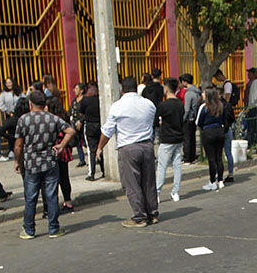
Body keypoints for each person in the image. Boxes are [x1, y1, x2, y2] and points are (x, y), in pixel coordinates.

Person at [96, 77, 158, 227]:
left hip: (128, 147)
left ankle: (139, 216)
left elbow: (107, 131)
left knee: (131, 183)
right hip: (147, 146)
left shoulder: (117, 106)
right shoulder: (149, 104)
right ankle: (152, 213)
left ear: (122, 89)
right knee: (148, 181)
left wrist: (100, 147)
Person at [14, 90, 75, 239]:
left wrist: (17, 161)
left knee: (31, 198)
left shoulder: (23, 120)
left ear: (31, 104)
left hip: (31, 163)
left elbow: (18, 145)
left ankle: (29, 230)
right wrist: (61, 146)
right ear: (44, 104)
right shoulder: (52, 118)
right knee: (51, 196)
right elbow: (71, 131)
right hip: (50, 162)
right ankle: (54, 228)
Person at [155, 77, 185, 203]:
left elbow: (155, 121)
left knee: (162, 167)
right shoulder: (180, 104)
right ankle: (175, 192)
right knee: (177, 166)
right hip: (178, 138)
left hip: (167, 138)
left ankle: (157, 193)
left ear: (166, 88)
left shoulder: (163, 105)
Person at [197, 87, 228, 192]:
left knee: (211, 158)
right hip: (219, 131)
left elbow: (198, 122)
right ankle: (220, 180)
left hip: (208, 132)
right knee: (219, 157)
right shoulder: (220, 105)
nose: (202, 95)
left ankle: (212, 181)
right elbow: (224, 119)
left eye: (204, 93)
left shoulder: (204, 107)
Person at [78, 82, 104, 181]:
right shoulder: (99, 99)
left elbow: (81, 112)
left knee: (91, 150)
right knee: (100, 148)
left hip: (89, 125)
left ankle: (91, 173)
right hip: (100, 125)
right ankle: (104, 170)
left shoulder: (85, 100)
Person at [179, 74, 201, 163]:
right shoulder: (197, 91)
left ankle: (187, 158)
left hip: (188, 118)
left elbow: (187, 109)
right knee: (192, 138)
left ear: (184, 82)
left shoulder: (189, 93)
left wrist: (183, 119)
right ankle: (192, 156)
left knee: (187, 139)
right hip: (194, 117)